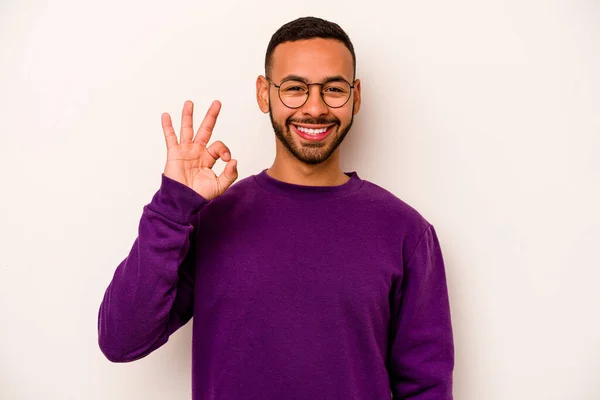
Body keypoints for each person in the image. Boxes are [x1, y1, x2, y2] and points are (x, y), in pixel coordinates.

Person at [98, 16, 454, 400]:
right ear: (264, 93)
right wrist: (171, 207)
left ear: (356, 96)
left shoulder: (406, 233)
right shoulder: (212, 221)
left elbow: (426, 388)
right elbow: (121, 340)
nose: (315, 108)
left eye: (333, 89)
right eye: (295, 88)